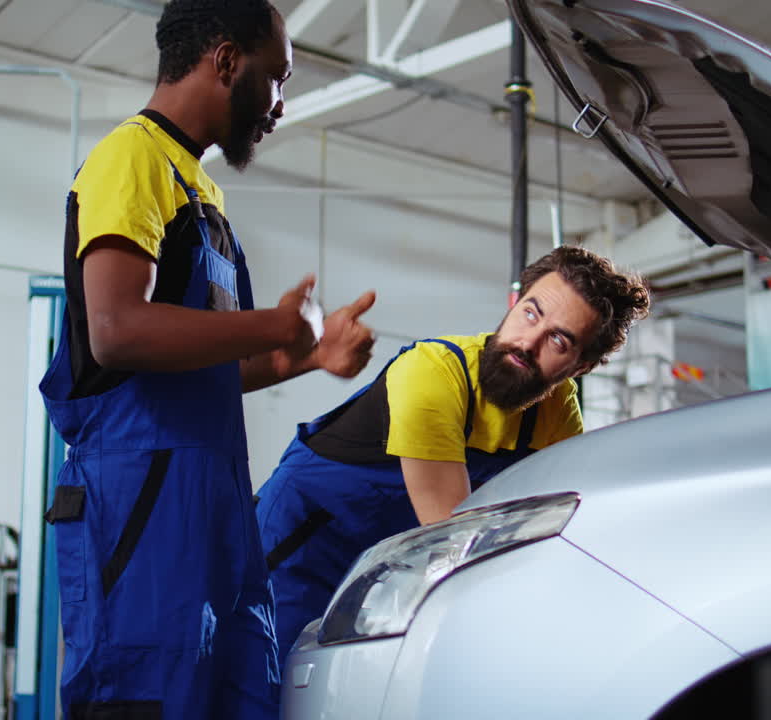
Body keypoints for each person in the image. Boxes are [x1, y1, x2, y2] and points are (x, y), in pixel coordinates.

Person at [38, 1, 376, 718]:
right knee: (144, 701)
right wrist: (274, 322)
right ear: (226, 61)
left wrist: (309, 353)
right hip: (140, 509)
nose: (280, 104)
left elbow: (216, 370)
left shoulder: (205, 196)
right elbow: (117, 331)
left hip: (214, 514)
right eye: (276, 78)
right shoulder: (130, 159)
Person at [254, 246, 651, 656]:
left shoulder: (557, 409)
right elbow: (451, 541)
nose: (528, 343)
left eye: (559, 340)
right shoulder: (433, 373)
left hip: (381, 570)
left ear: (580, 367)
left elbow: (560, 524)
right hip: (298, 549)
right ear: (513, 303)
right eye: (531, 314)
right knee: (263, 686)